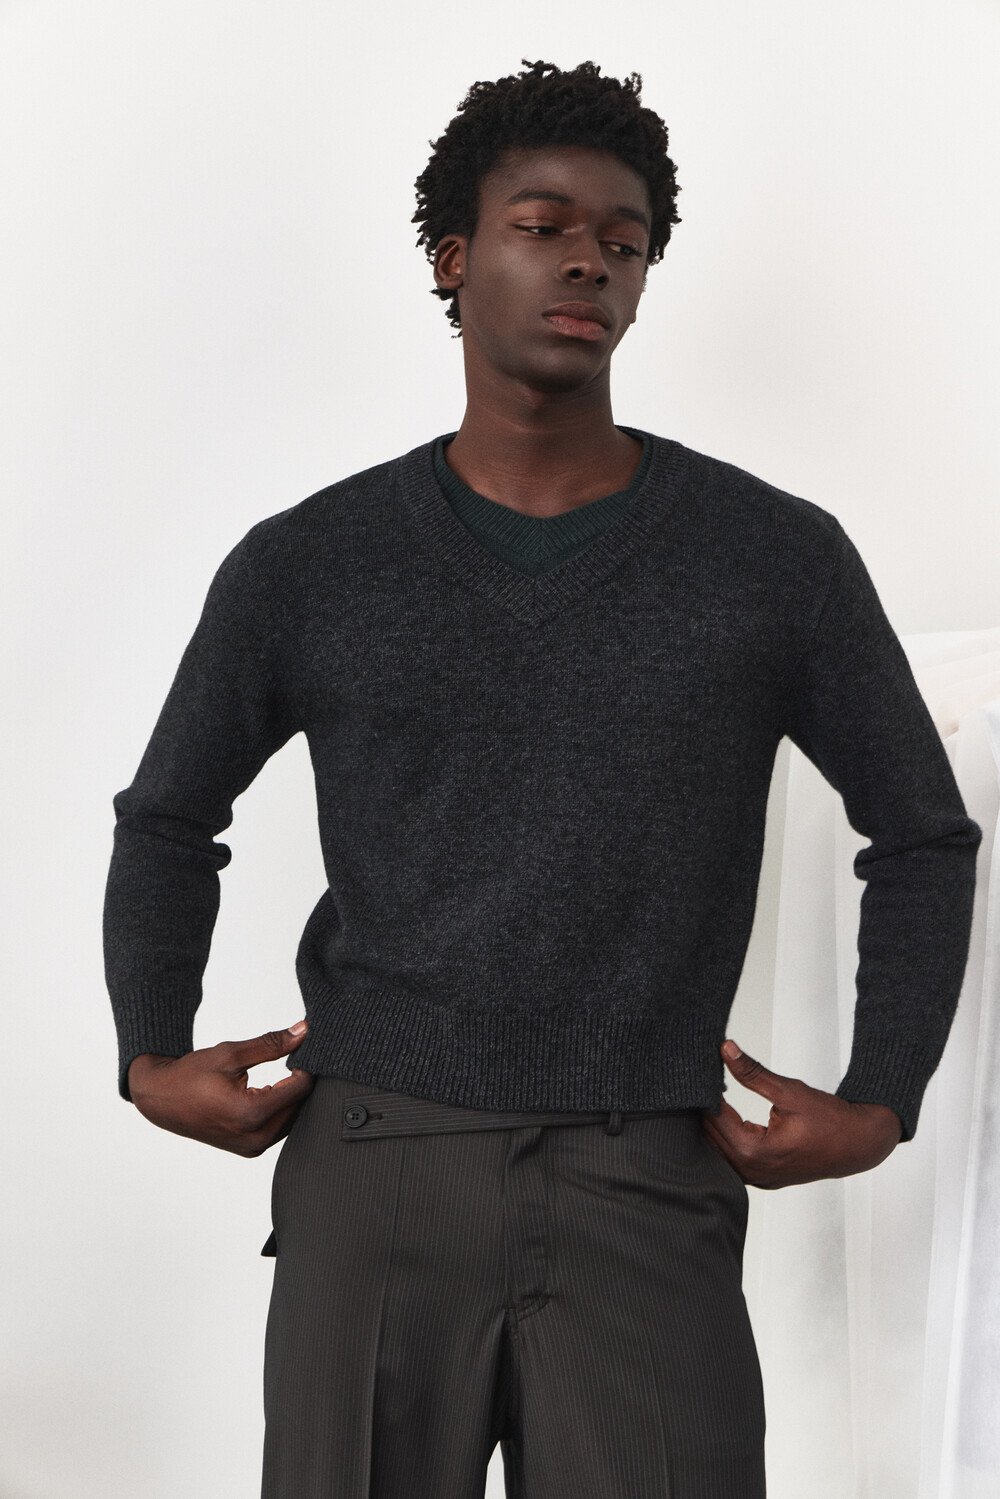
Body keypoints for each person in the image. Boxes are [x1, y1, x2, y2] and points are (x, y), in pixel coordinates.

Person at [103, 58, 982, 1499]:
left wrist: (884, 1092)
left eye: (625, 242)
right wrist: (149, 1051)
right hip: (375, 1163)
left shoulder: (773, 560)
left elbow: (922, 835)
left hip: (648, 1175)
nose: (590, 261)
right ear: (454, 257)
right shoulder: (309, 564)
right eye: (544, 225)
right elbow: (167, 820)